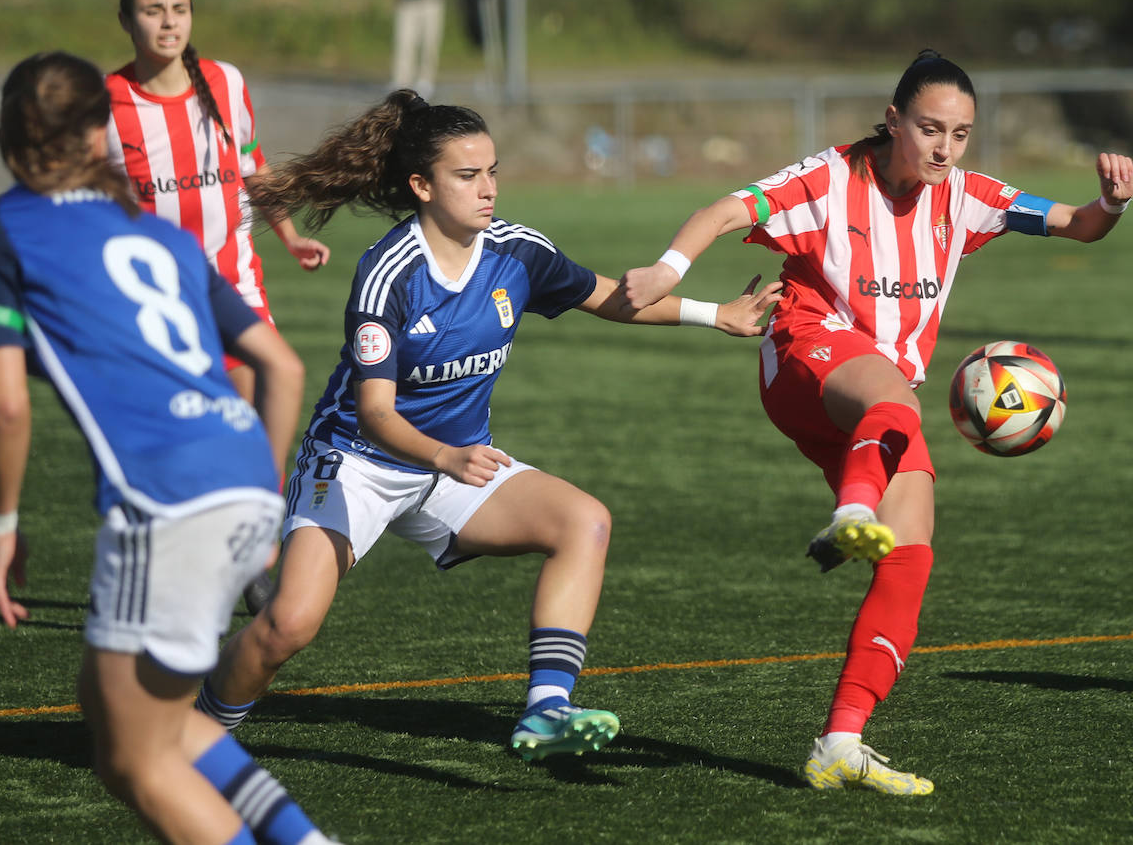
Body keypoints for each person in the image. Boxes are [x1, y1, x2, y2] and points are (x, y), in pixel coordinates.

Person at [192, 91, 783, 762]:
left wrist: (719, 315)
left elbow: (608, 296)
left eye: (493, 172)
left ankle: (546, 709)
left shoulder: (517, 252)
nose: (488, 189)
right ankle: (198, 727)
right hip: (358, 461)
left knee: (583, 522)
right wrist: (444, 455)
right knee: (287, 626)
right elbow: (376, 411)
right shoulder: (389, 273)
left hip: (452, 464)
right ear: (421, 185)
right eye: (467, 176)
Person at [619, 50, 1133, 796]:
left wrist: (1112, 204)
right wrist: (668, 270)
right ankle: (851, 511)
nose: (943, 148)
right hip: (805, 353)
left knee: (910, 560)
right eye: (929, 128)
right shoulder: (828, 179)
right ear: (893, 119)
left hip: (877, 409)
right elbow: (729, 210)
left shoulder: (967, 195)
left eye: (959, 134)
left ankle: (841, 741)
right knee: (895, 402)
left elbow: (1077, 224)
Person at [0, 51, 340, 845]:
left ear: (9, 137)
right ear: (104, 133)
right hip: (247, 481)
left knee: (137, 760)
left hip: (166, 502)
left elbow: (7, 405)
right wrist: (255, 489)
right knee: (137, 723)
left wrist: (2, 524)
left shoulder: (0, 227)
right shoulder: (161, 236)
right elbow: (279, 366)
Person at [108, 0, 330, 613]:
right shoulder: (107, 102)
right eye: (153, 10)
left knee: (256, 410)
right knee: (186, 432)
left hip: (234, 281)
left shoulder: (225, 83)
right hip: (155, 299)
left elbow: (252, 167)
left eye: (179, 7)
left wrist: (287, 236)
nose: (169, 20)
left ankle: (249, 554)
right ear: (126, 20)